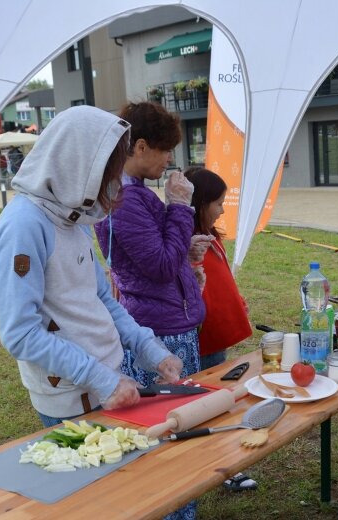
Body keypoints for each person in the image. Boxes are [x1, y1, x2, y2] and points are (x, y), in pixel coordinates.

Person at [0, 105, 183, 429]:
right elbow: (20, 333)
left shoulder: (72, 217)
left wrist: (150, 350)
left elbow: (102, 300)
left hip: (106, 383)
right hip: (71, 395)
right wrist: (100, 379)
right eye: (109, 176)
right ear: (80, 167)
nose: (115, 187)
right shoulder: (24, 225)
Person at [95, 101, 205, 388]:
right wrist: (180, 206)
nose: (169, 158)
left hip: (160, 319)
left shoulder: (130, 192)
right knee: (171, 414)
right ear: (141, 147)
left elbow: (153, 254)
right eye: (166, 149)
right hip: (159, 329)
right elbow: (161, 266)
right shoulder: (127, 199)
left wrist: (185, 248)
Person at [184, 167, 252, 371]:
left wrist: (236, 301)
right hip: (205, 335)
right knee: (208, 379)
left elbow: (222, 277)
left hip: (217, 332)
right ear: (202, 203)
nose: (222, 210)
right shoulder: (189, 242)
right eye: (219, 203)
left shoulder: (211, 236)